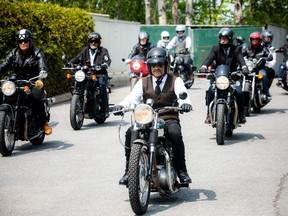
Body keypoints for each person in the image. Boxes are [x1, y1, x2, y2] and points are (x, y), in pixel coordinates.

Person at [114, 47, 193, 186]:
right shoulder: (143, 81)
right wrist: (121, 106)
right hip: (147, 119)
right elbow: (132, 98)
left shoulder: (176, 80)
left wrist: (185, 103)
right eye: (153, 65)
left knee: (175, 133)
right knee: (130, 132)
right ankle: (128, 171)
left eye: (160, 64)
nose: (157, 67)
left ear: (166, 65)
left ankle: (181, 170)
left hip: (168, 118)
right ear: (149, 67)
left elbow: (183, 94)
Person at [0, 29, 52, 135]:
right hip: (16, 81)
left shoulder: (37, 53)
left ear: (30, 41)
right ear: (17, 43)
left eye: (25, 41)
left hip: (33, 82)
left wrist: (40, 79)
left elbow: (43, 67)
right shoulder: (13, 53)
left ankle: (44, 123)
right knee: (2, 93)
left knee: (36, 97)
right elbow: (4, 65)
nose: (23, 43)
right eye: (20, 41)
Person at [199, 27, 248, 124]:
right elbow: (209, 58)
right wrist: (204, 66)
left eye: (225, 38)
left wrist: (244, 68)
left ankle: (241, 114)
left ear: (230, 39)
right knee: (210, 91)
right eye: (221, 37)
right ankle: (208, 114)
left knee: (238, 92)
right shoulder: (216, 48)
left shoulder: (236, 49)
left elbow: (240, 59)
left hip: (232, 77)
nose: (222, 39)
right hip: (219, 77)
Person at [69, 32, 111, 118]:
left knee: (102, 84)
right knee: (77, 82)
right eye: (91, 41)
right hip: (87, 73)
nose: (93, 43)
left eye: (95, 41)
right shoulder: (85, 50)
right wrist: (69, 63)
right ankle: (78, 102)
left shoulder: (103, 51)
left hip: (99, 74)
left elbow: (107, 60)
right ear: (89, 42)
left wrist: (104, 65)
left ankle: (105, 108)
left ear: (99, 42)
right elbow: (77, 58)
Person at [242, 31, 271, 100]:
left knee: (264, 76)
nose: (254, 42)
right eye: (253, 40)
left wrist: (267, 57)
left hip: (259, 69)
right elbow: (240, 55)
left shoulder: (263, 49)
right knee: (239, 76)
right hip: (249, 68)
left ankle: (266, 93)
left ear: (259, 41)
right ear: (250, 40)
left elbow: (270, 55)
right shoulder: (247, 49)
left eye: (256, 40)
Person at [261, 29, 276, 97]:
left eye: (270, 38)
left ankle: (266, 89)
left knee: (271, 72)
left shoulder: (272, 48)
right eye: (267, 37)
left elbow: (273, 60)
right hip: (256, 65)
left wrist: (268, 66)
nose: (268, 39)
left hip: (266, 66)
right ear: (263, 38)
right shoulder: (259, 46)